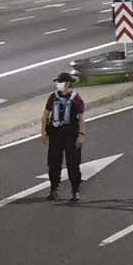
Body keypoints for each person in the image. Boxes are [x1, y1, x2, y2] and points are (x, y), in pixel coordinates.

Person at [40, 71, 85, 202]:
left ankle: (75, 191)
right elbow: (45, 115)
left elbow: (81, 119)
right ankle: (53, 190)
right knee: (53, 163)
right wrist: (43, 132)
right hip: (55, 134)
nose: (58, 84)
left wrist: (81, 135)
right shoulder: (52, 97)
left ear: (68, 83)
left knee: (73, 164)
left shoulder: (76, 98)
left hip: (71, 135)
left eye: (61, 82)